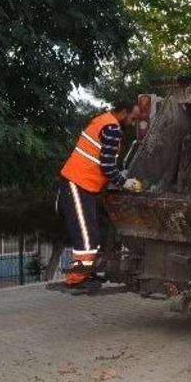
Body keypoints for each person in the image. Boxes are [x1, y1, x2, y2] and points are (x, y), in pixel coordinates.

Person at [57, 102, 141, 289]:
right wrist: (125, 182)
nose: (133, 123)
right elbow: (107, 166)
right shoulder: (112, 129)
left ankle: (87, 273)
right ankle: (77, 279)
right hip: (78, 183)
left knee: (92, 232)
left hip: (80, 184)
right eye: (132, 118)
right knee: (86, 235)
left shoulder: (103, 121)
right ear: (123, 112)